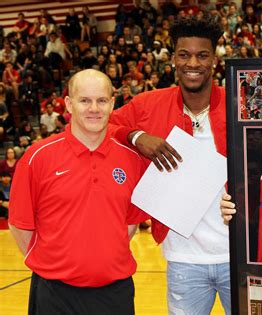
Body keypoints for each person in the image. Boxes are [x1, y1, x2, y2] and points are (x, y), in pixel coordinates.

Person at [109, 15, 231, 314]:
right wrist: (137, 136)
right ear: (173, 59)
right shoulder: (148, 105)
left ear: (214, 59)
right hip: (183, 259)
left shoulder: (239, 103)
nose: (193, 63)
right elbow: (107, 125)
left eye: (202, 55)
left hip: (239, 255)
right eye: (184, 54)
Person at [8, 69, 148, 314]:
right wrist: (56, 264)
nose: (94, 108)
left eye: (101, 100)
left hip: (114, 293)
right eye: (85, 100)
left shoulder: (131, 160)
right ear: (70, 105)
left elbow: (129, 225)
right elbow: (19, 226)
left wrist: (99, 258)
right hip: (54, 294)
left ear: (112, 103)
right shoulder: (37, 157)